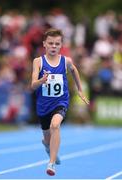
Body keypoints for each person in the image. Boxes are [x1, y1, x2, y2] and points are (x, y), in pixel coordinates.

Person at [31, 28, 89, 176]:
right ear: (44, 44)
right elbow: (32, 85)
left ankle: (51, 164)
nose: (54, 46)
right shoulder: (38, 62)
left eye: (57, 44)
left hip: (60, 102)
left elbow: (74, 70)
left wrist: (80, 90)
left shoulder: (66, 61)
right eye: (50, 43)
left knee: (55, 125)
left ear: (61, 45)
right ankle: (48, 146)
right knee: (47, 137)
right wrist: (41, 80)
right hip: (43, 105)